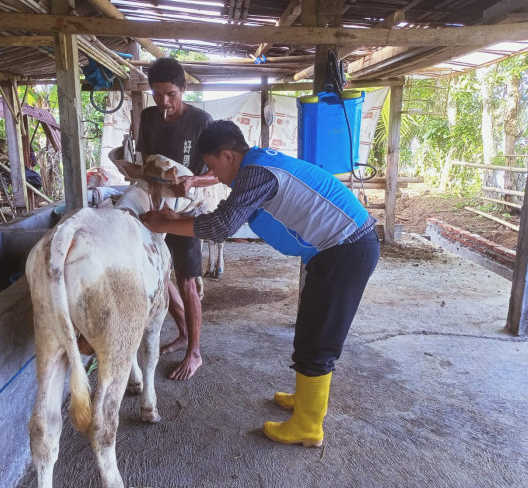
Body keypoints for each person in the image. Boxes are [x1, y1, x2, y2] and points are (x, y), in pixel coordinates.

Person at [140, 120, 380, 447]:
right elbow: (221, 216)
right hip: (338, 248)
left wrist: (162, 222)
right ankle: (307, 399)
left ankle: (308, 427)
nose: (214, 175)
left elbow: (221, 225)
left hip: (346, 249)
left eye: (212, 166)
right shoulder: (259, 163)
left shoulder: (255, 173)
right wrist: (173, 220)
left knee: (320, 337)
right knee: (311, 328)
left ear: (228, 156)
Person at [136, 57, 218, 380]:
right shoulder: (148, 116)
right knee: (160, 274)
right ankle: (183, 332)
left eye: (170, 94)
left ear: (184, 89)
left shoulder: (201, 121)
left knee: (186, 280)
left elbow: (219, 172)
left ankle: (195, 351)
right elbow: (146, 163)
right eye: (157, 95)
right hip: (158, 206)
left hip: (187, 211)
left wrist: (194, 181)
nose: (164, 102)